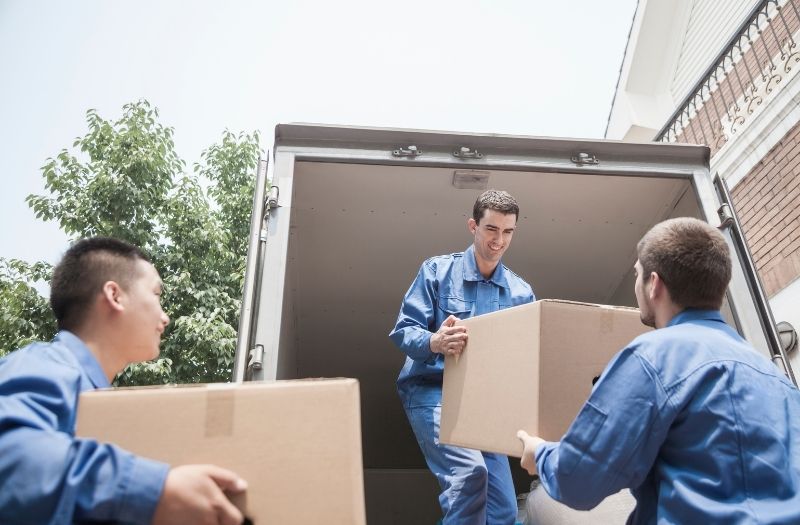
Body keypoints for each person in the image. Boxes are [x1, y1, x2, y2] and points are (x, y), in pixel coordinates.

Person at [517, 217, 800, 524]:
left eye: (637, 275)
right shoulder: (776, 378)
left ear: (654, 285)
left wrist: (541, 454)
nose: (636, 284)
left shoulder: (651, 358)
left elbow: (578, 480)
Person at [0, 237, 247, 525]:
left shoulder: (98, 399)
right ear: (115, 296)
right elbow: (9, 454)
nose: (165, 317)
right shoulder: (44, 364)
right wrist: (155, 492)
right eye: (156, 294)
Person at [389, 189, 535, 525]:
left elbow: (525, 359)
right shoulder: (437, 272)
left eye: (508, 232)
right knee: (470, 475)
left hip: (485, 404)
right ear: (473, 226)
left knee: (503, 511)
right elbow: (404, 331)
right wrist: (435, 342)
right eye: (491, 229)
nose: (499, 241)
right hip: (432, 391)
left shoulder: (521, 293)